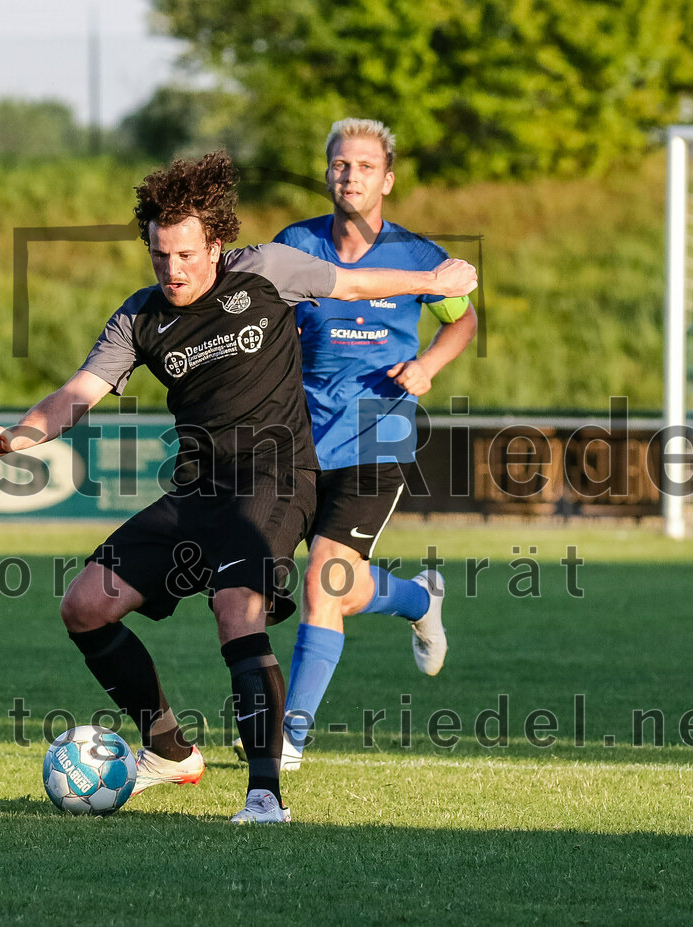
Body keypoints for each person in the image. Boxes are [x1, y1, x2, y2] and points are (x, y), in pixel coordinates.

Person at [0, 150, 476, 823]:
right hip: (199, 489)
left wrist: (432, 276)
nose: (171, 270)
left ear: (215, 243)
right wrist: (18, 436)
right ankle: (169, 749)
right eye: (158, 256)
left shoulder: (266, 270)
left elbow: (351, 284)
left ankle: (265, 794)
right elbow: (76, 395)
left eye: (183, 254)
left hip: (276, 478)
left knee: (238, 606)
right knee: (85, 604)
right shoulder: (140, 318)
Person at [256, 118, 478, 770]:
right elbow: (266, 325)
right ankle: (419, 598)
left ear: (388, 178)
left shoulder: (417, 258)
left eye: (363, 165)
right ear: (328, 173)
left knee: (325, 578)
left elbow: (462, 320)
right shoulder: (295, 245)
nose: (349, 174)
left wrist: (429, 367)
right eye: (340, 164)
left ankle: (287, 737)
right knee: (342, 587)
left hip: (380, 426)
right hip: (298, 433)